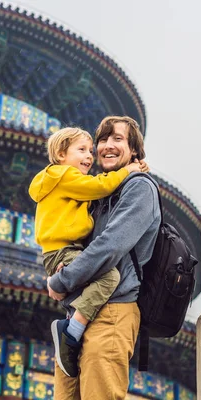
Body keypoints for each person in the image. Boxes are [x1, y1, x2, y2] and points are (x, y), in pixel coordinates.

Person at [47, 116, 161, 400]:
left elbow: (111, 246)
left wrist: (62, 280)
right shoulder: (98, 193)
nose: (107, 146)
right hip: (78, 314)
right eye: (102, 140)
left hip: (113, 311)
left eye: (118, 139)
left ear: (134, 150)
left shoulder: (139, 188)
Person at [28, 127, 148, 377]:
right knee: (109, 277)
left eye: (90, 151)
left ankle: (72, 329)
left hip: (60, 253)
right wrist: (128, 170)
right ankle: (71, 331)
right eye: (82, 150)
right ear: (61, 154)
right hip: (64, 252)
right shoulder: (65, 176)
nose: (90, 156)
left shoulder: (55, 179)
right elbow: (99, 186)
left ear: (134, 149)